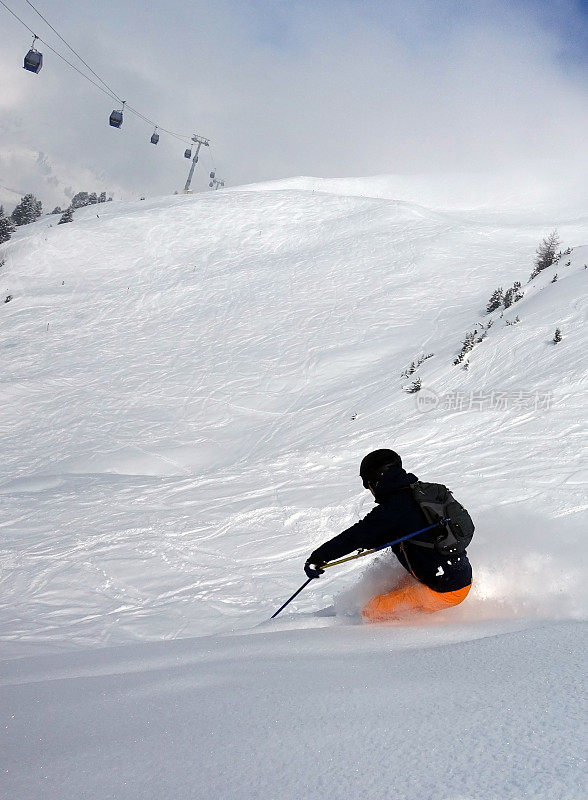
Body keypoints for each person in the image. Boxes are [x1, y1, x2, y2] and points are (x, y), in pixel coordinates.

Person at [304, 449, 472, 622]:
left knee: (371, 612)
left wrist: (318, 557)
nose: (369, 490)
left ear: (377, 480)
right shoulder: (419, 494)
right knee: (387, 591)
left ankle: (410, 642)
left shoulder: (394, 509)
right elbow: (402, 529)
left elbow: (355, 536)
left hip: (444, 589)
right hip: (454, 575)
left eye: (368, 484)